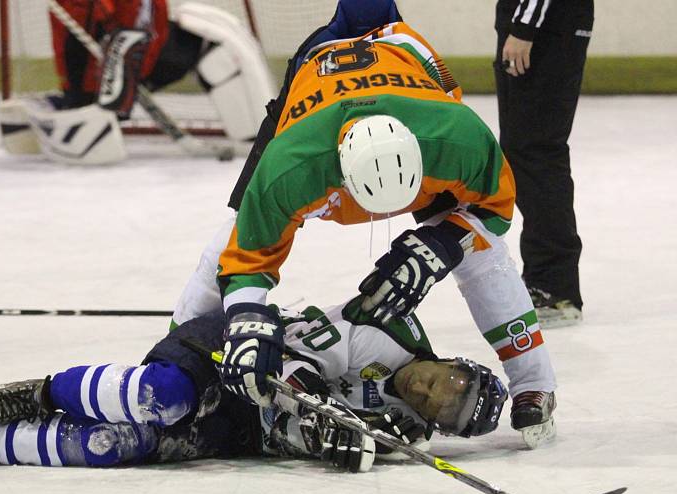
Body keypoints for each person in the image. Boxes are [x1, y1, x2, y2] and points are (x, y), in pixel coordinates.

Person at [172, 0, 557, 449]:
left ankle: (534, 382)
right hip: (315, 102)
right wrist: (245, 321)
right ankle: (181, 342)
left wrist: (443, 242)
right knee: (234, 235)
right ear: (338, 175)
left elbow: (496, 211)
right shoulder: (293, 165)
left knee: (483, 256)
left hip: (406, 80)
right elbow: (247, 256)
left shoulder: (456, 138)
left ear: (421, 155)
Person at [0, 296, 507, 471]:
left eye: (445, 409)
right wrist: (327, 413)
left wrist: (346, 447)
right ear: (455, 361)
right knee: (158, 401)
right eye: (451, 380)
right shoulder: (388, 334)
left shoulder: (406, 433)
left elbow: (308, 438)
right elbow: (299, 366)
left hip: (244, 429)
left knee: (119, 446)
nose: (433, 391)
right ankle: (38, 393)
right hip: (226, 352)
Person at [0, 0, 274, 161]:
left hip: (140, 60)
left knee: (211, 42)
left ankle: (256, 131)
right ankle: (72, 108)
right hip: (108, 73)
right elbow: (88, 38)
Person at [495, 0, 594, 327]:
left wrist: (524, 27)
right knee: (524, 149)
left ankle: (555, 288)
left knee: (535, 150)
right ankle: (545, 281)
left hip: (545, 28)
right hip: (543, 24)